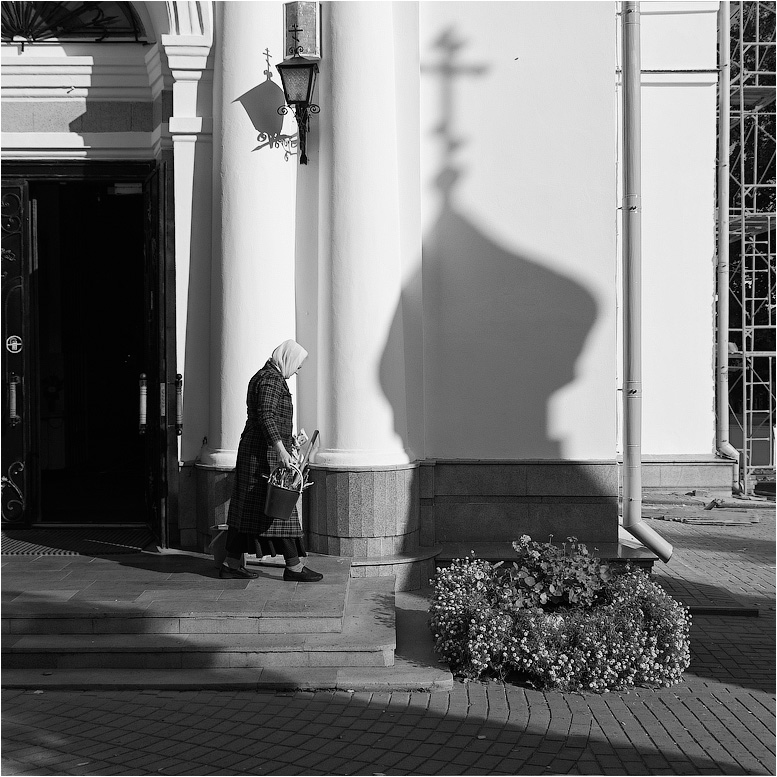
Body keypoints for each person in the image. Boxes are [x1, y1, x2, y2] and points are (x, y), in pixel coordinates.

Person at [220, 339, 323, 582]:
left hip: (260, 454)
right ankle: (293, 567)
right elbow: (266, 416)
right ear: (287, 358)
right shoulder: (270, 380)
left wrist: (289, 442)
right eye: (297, 365)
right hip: (262, 457)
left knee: (249, 511)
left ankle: (232, 564)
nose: (298, 370)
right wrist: (281, 450)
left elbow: (268, 417)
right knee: (281, 510)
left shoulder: (268, 377)